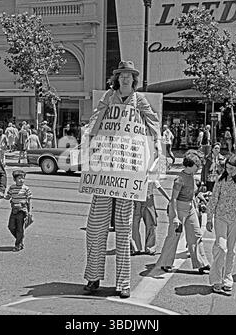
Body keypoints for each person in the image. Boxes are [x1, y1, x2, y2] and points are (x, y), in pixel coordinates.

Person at [83, 60, 162, 299]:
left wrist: (156, 143)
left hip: (128, 172)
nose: (125, 79)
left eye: (129, 75)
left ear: (133, 79)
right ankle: (93, 277)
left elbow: (153, 122)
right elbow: (95, 119)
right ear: (116, 78)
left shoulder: (140, 100)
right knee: (96, 225)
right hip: (105, 170)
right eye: (122, 75)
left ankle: (123, 283)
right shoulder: (108, 97)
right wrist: (89, 135)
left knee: (125, 227)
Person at [206, 154, 236, 295]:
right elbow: (213, 199)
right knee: (221, 248)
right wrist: (209, 218)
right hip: (220, 218)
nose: (229, 171)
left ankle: (227, 278)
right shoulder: (221, 180)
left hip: (235, 219)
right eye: (227, 168)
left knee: (230, 250)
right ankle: (216, 279)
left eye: (232, 169)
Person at [156, 150, 210, 274]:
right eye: (198, 165)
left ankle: (202, 263)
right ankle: (165, 263)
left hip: (190, 208)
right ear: (191, 165)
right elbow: (173, 198)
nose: (199, 168)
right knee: (174, 236)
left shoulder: (191, 177)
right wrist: (174, 217)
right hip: (179, 208)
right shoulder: (179, 179)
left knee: (196, 234)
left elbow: (192, 193)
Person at [131, 179, 170, 256]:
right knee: (134, 224)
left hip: (147, 198)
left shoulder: (152, 173)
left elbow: (158, 186)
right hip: (136, 197)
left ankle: (149, 247)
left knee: (151, 224)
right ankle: (135, 247)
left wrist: (168, 198)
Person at [4, 170, 32, 252]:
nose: (21, 180)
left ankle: (18, 244)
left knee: (20, 228)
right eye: (19, 178)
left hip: (22, 211)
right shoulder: (12, 187)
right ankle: (20, 239)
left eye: (23, 178)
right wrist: (0, 195)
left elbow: (29, 200)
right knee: (11, 226)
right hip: (14, 210)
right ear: (14, 179)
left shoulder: (26, 189)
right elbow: (8, 196)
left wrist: (29, 212)